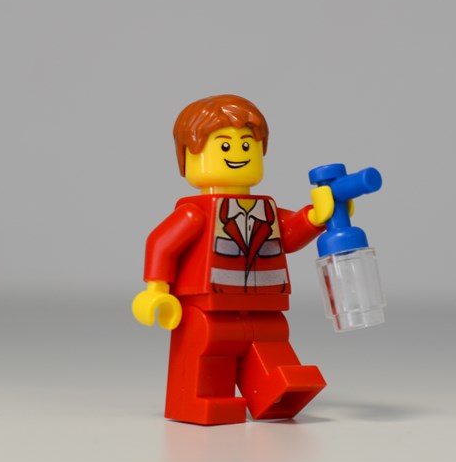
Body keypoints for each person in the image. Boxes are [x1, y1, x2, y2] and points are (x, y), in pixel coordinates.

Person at [132, 94, 339, 425]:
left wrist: (316, 217)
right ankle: (203, 398)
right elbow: (162, 243)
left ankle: (275, 389)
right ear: (187, 157)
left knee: (270, 340)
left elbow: (288, 234)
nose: (239, 154)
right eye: (225, 146)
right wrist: (156, 290)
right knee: (210, 346)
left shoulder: (266, 210)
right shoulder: (196, 213)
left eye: (247, 145)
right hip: (207, 305)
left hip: (265, 305)